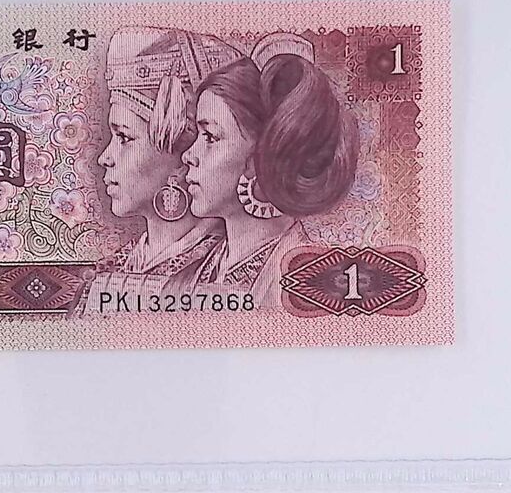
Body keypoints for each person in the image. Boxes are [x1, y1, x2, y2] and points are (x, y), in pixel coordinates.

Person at [180, 33, 359, 309]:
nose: (188, 156)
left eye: (211, 137)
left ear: (261, 156)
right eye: (197, 135)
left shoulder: (305, 281)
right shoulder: (194, 272)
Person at [87, 27, 244, 306]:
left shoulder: (227, 273)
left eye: (124, 137)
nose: (105, 158)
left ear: (182, 154)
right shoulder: (112, 270)